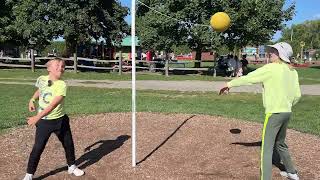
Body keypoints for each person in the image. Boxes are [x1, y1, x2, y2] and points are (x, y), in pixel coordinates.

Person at [219, 42, 301, 180]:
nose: (270, 53)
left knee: (266, 150)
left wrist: (229, 84)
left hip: (274, 113)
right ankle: (292, 172)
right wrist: (287, 105)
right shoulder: (292, 71)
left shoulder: (271, 68)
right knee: (280, 143)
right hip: (286, 113)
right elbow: (297, 95)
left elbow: (249, 78)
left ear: (281, 55)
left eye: (274, 51)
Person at [23, 58, 84, 180]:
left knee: (68, 144)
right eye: (58, 65)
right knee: (38, 147)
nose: (61, 68)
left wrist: (36, 117)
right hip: (44, 123)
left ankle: (71, 166)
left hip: (60, 121)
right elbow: (40, 90)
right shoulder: (42, 79)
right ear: (49, 68)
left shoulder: (62, 85)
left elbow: (52, 105)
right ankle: (29, 174)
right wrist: (32, 99)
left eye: (63, 66)